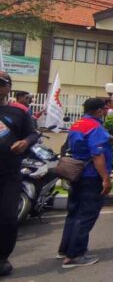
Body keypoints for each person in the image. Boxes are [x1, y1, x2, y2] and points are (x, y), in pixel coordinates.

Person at [58, 98, 113, 268]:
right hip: (91, 176)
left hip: (77, 174)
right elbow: (97, 155)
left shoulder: (78, 124)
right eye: (104, 109)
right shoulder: (95, 127)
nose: (106, 111)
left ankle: (66, 249)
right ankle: (74, 255)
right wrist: (105, 178)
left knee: (74, 213)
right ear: (98, 111)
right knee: (87, 215)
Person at [0, 72, 38, 277]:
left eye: (0, 84)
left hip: (8, 173)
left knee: (7, 217)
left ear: (8, 88)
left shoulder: (18, 112)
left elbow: (32, 133)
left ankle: (2, 257)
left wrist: (25, 142)